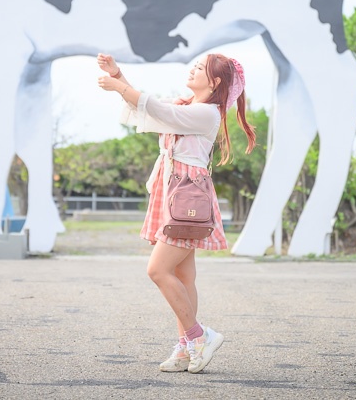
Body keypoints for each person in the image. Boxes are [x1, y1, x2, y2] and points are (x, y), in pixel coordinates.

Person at [97, 52, 256, 374]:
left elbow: (154, 108)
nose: (193, 69)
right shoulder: (186, 106)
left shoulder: (206, 113)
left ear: (215, 82)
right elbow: (148, 108)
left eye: (200, 68)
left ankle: (199, 336)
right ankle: (185, 348)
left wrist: (117, 86)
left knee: (157, 271)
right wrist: (119, 76)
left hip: (187, 198)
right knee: (184, 276)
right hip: (175, 193)